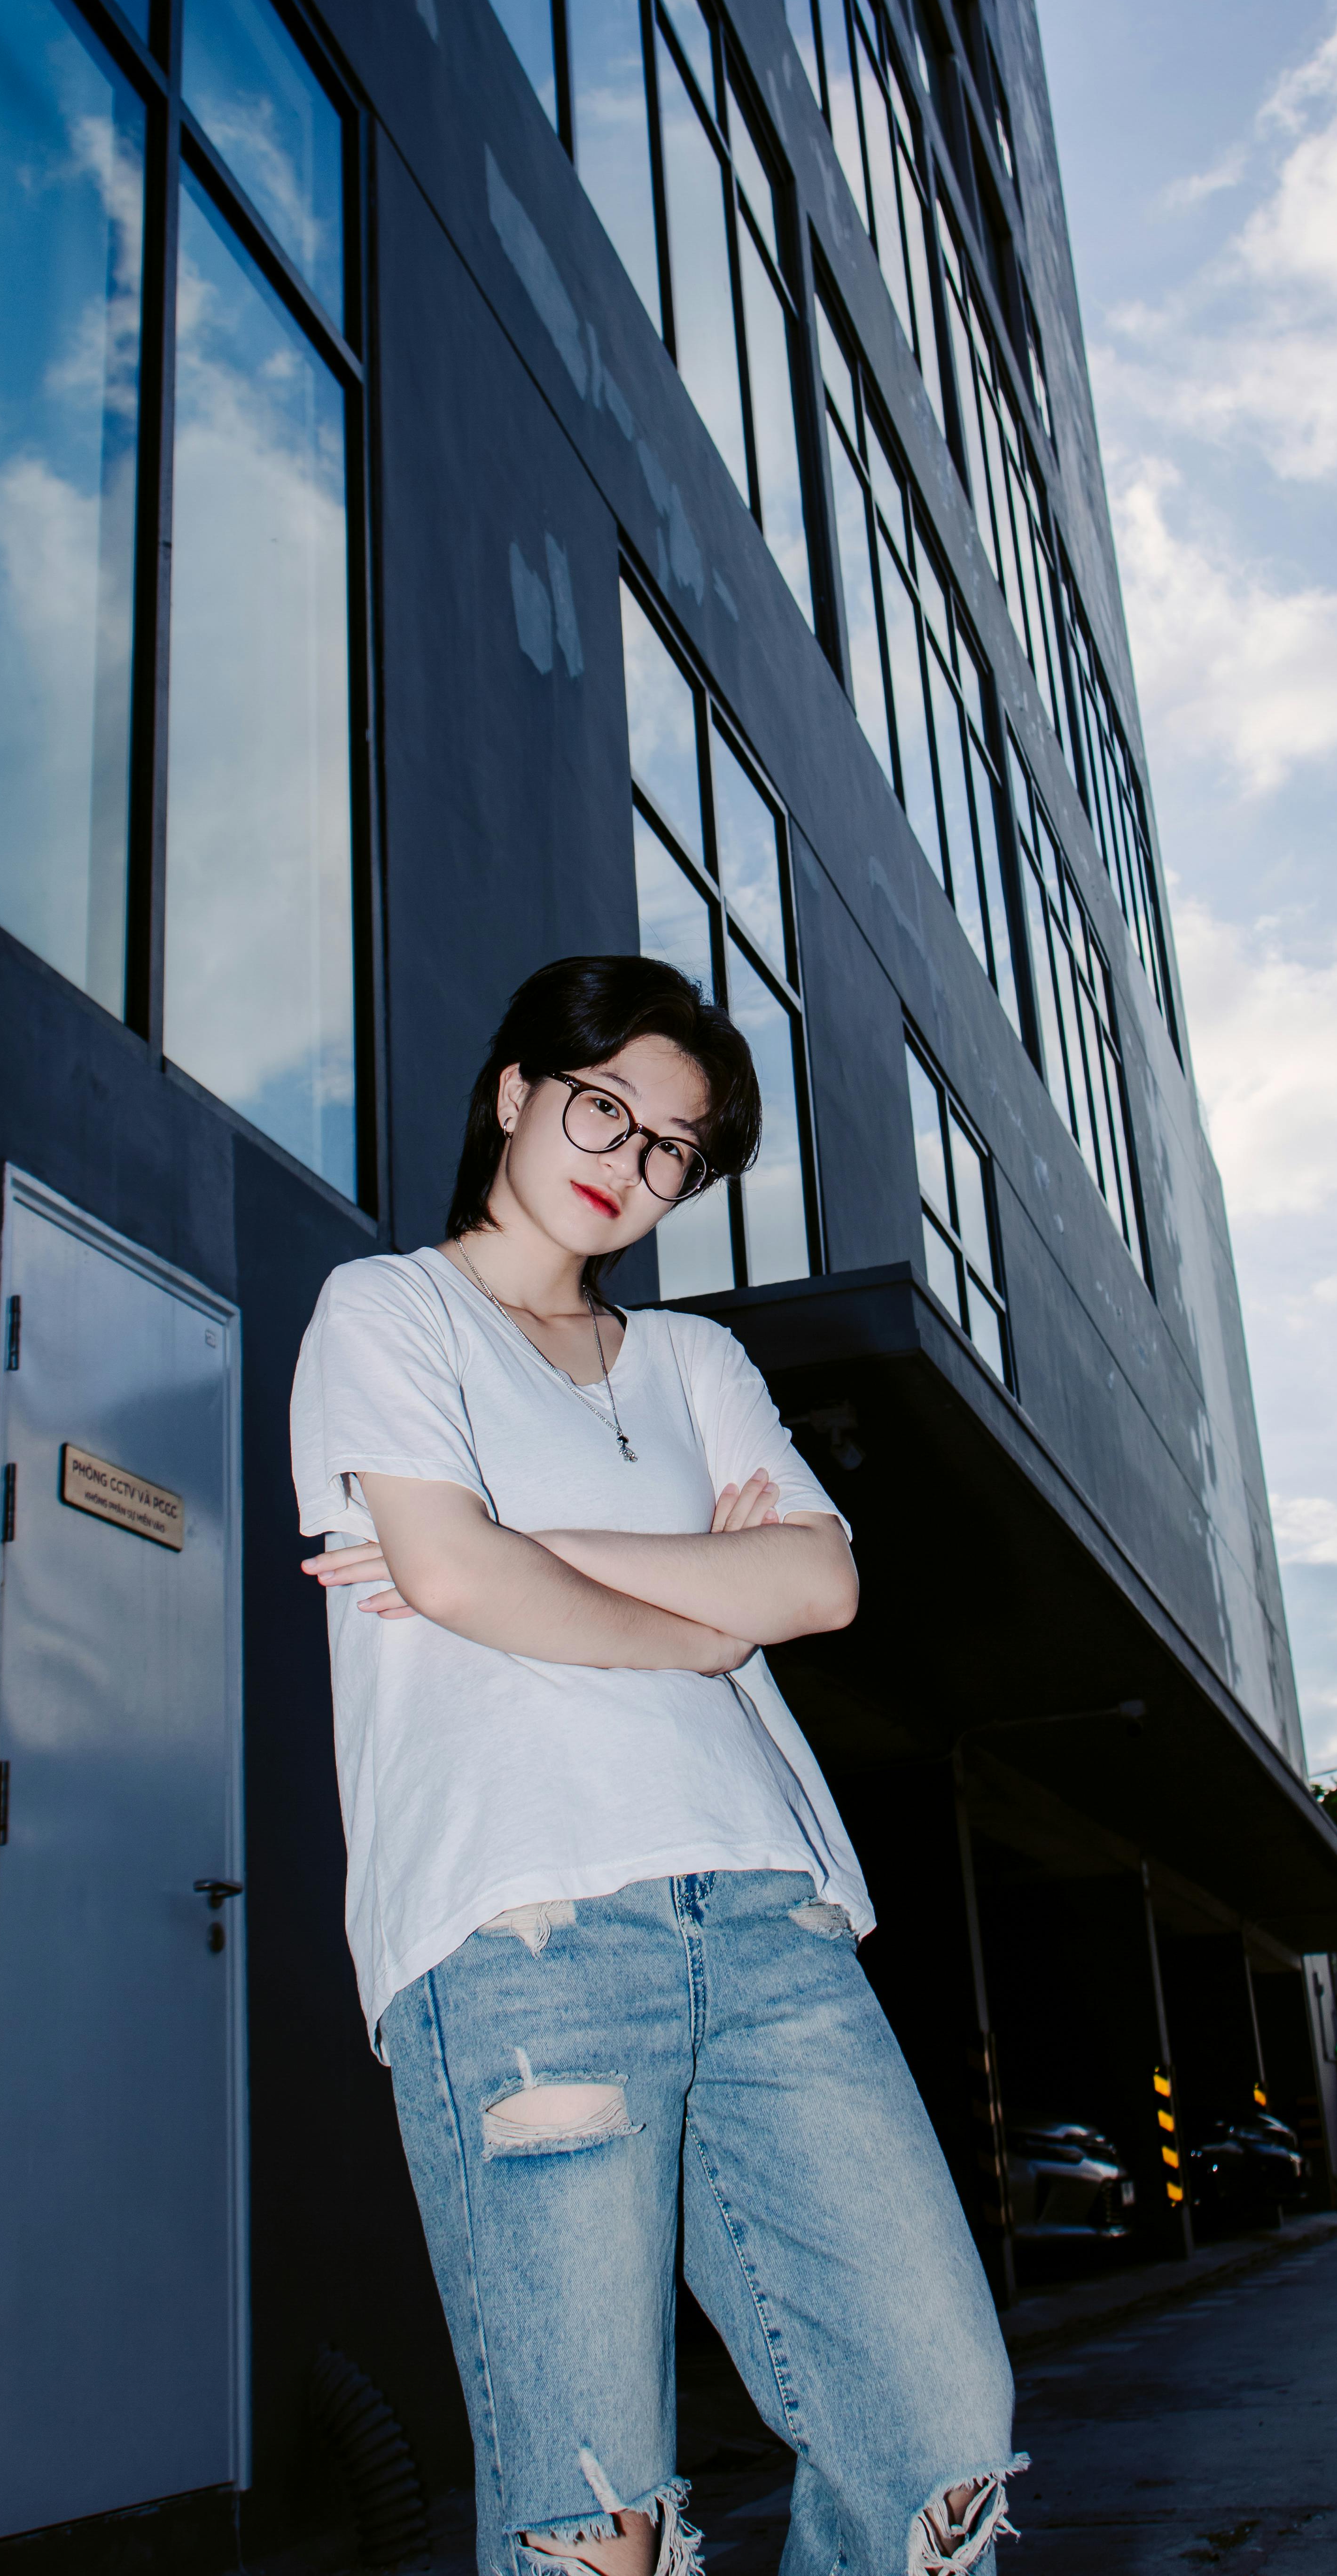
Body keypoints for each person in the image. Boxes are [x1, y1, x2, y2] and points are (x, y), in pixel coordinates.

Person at [291, 955, 1021, 2576]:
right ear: (515, 1091)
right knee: (595, 2515)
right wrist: (691, 1603)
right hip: (522, 1932)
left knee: (939, 2444)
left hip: (770, 1922)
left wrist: (507, 1539)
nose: (624, 1159)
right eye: (601, 1106)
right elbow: (469, 1584)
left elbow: (816, 1587)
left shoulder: (694, 1366)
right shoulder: (388, 1312)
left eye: (671, 1146)